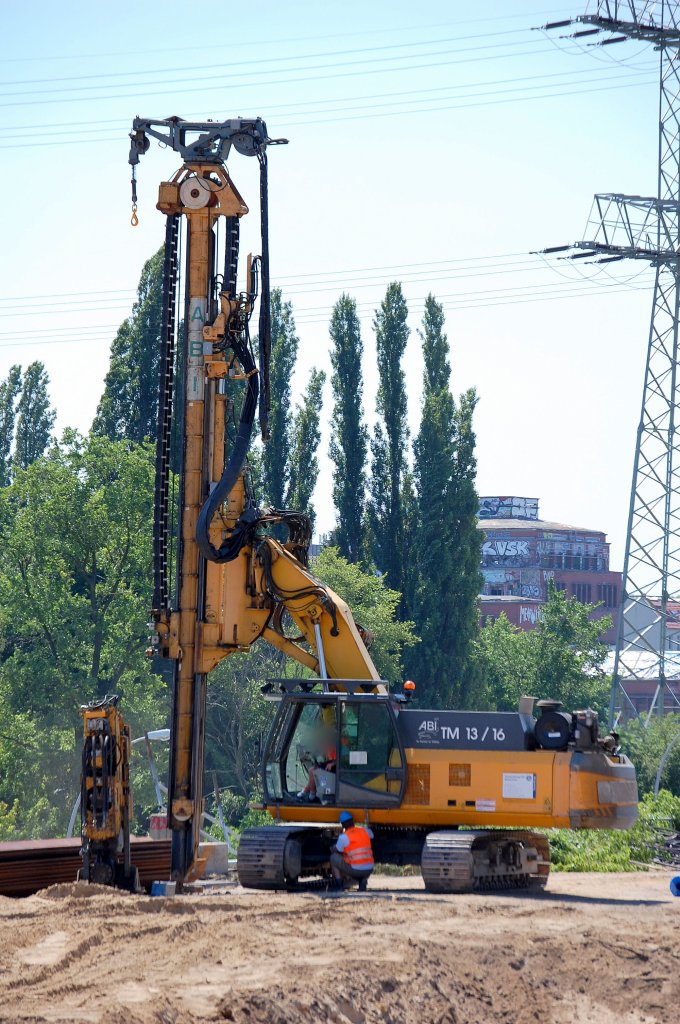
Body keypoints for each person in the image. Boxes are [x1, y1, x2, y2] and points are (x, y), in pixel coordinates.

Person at [329, 810, 374, 891]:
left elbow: (337, 850)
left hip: (355, 870)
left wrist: (332, 848)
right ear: (353, 821)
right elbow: (372, 835)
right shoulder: (365, 831)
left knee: (333, 858)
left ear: (342, 825)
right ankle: (363, 881)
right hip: (369, 869)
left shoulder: (344, 837)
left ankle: (339, 886)